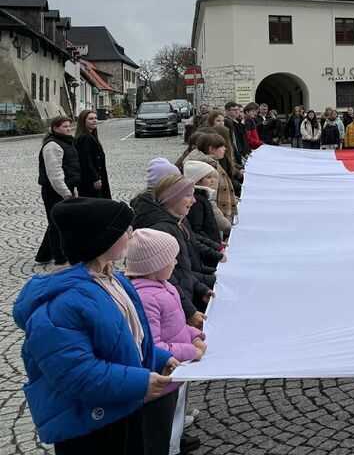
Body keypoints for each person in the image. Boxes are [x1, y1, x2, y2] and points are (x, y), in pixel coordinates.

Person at [16, 197, 178, 454]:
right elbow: (76, 374)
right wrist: (141, 381)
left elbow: (126, 340)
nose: (131, 234)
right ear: (103, 240)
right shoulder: (60, 306)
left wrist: (159, 357)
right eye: (125, 230)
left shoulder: (116, 281)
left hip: (123, 405)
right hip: (89, 424)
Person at [126, 229, 207, 455]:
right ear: (155, 264)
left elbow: (176, 325)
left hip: (176, 374)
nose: (175, 261)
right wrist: (192, 351)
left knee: (175, 418)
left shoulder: (165, 286)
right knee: (158, 434)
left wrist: (194, 334)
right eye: (171, 257)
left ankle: (175, 445)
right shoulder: (146, 297)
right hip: (161, 378)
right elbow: (153, 345)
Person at [133, 173, 214, 326]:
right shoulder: (163, 230)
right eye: (188, 195)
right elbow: (168, 277)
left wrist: (200, 288)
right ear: (173, 198)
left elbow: (182, 271)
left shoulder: (174, 223)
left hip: (182, 301)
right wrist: (189, 311)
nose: (194, 200)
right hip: (174, 310)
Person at [36, 116, 81, 266]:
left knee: (56, 222)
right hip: (54, 190)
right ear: (55, 128)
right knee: (56, 224)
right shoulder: (52, 146)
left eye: (69, 126)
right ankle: (60, 257)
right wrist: (65, 192)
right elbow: (54, 172)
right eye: (64, 127)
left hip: (67, 187)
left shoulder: (65, 142)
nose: (68, 129)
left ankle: (43, 255)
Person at [183, 134, 238, 227]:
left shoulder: (210, 163)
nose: (225, 149)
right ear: (211, 149)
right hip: (217, 219)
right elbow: (212, 200)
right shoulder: (209, 168)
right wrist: (226, 225)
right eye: (222, 146)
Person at [74, 109, 111, 199]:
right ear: (83, 121)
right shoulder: (84, 137)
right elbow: (85, 160)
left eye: (95, 118)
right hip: (90, 180)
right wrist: (95, 177)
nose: (94, 120)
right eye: (91, 119)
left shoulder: (91, 135)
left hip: (98, 176)